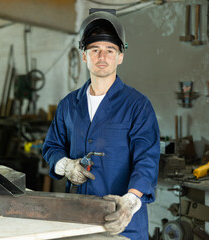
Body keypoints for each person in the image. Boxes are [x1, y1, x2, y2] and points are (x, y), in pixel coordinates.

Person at [42, 9, 160, 240]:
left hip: (123, 223)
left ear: (120, 56)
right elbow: (51, 147)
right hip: (76, 218)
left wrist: (131, 200)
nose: (102, 57)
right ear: (84, 56)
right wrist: (66, 166)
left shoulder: (138, 105)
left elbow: (147, 159)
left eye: (110, 50)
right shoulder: (68, 105)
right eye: (94, 50)